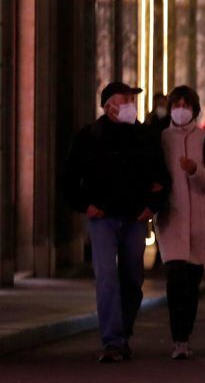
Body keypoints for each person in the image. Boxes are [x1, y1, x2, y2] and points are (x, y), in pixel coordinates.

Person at [61, 82, 170, 362]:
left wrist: (151, 206)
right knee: (107, 277)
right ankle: (112, 341)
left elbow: (161, 178)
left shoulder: (144, 136)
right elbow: (70, 179)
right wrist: (86, 206)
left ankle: (123, 332)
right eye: (125, 100)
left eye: (132, 100)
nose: (130, 105)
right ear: (109, 104)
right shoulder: (90, 137)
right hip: (103, 219)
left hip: (135, 217)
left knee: (133, 278)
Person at [156, 86, 205, 359]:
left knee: (192, 281)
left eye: (186, 104)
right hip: (171, 220)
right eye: (177, 103)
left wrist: (196, 171)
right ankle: (179, 339)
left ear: (195, 109)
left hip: (199, 222)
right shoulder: (162, 139)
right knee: (175, 279)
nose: (181, 108)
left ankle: (187, 332)